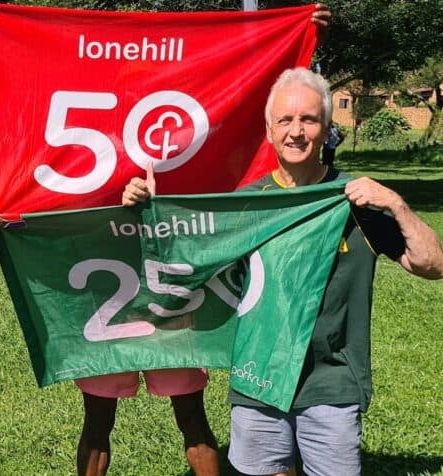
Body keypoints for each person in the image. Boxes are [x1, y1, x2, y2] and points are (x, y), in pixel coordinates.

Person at [0, 2, 332, 475]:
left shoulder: (183, 124)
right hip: (107, 286)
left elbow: (255, 81)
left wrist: (299, 32)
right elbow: (12, 75)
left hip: (174, 286)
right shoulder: (95, 122)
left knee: (191, 418)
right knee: (99, 420)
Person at [124, 67, 443, 476]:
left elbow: (432, 265)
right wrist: (149, 212)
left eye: (308, 120)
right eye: (285, 120)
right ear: (269, 131)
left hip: (331, 383)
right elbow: (183, 264)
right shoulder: (249, 205)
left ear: (326, 128)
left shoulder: (357, 201)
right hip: (258, 378)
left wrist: (396, 204)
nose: (296, 132)